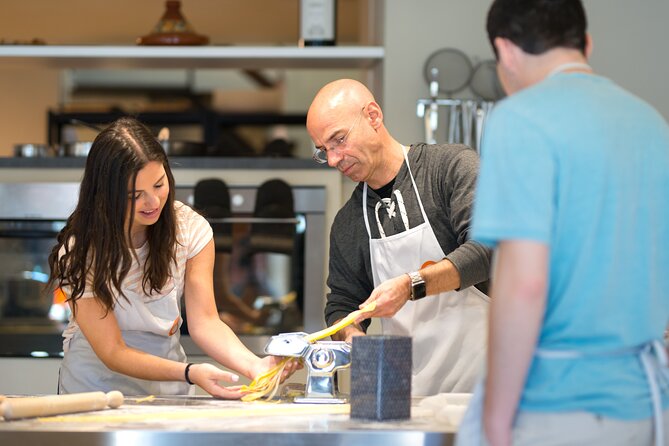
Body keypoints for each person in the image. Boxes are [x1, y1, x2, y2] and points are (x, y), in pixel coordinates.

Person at [467, 1, 669, 445]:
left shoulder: (520, 120)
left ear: (506, 51)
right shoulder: (651, 124)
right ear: (586, 44)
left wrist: (496, 422)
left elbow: (525, 285)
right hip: (647, 406)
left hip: (557, 410)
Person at [48, 117, 294, 398]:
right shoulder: (82, 248)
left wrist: (255, 366)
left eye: (159, 184)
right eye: (134, 195)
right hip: (94, 389)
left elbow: (205, 322)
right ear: (105, 195)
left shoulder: (189, 229)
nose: (153, 202)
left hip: (168, 386)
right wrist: (189, 372)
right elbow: (112, 351)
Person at [306, 79, 492, 396]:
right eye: (325, 151)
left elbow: (486, 250)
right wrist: (354, 339)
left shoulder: (450, 169)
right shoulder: (349, 223)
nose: (335, 160)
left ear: (373, 116)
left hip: (488, 384)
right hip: (411, 395)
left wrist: (410, 286)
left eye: (339, 141)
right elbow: (342, 303)